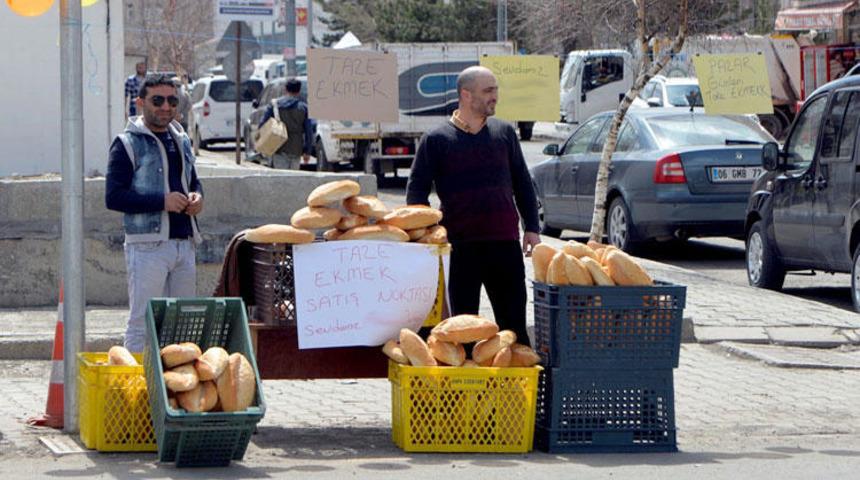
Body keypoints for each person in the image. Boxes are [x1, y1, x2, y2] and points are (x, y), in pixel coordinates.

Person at [406, 66, 541, 346]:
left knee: (513, 326)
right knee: (461, 330)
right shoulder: (436, 139)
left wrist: (531, 227)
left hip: (504, 244)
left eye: (496, 90)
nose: (495, 97)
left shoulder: (504, 133)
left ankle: (517, 388)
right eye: (488, 91)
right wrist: (425, 233)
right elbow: (417, 189)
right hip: (459, 248)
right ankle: (468, 388)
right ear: (466, 95)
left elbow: (523, 182)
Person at [106, 74, 204, 352]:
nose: (166, 107)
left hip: (184, 243)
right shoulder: (126, 143)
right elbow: (113, 196)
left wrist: (198, 197)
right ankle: (135, 391)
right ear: (140, 103)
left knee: (185, 326)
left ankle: (173, 392)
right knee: (142, 324)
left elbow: (193, 180)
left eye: (172, 101)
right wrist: (161, 202)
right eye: (157, 100)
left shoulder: (181, 138)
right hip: (147, 247)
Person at [258, 78, 313, 169]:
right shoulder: (303, 108)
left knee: (280, 178)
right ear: (299, 91)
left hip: (278, 146)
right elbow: (309, 132)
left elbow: (262, 124)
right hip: (296, 149)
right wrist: (307, 152)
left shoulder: (275, 105)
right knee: (294, 178)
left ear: (285, 89)